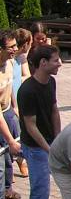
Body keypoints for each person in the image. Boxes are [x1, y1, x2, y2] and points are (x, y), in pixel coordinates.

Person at [18, 44, 63, 199]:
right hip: (35, 148)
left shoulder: (51, 82)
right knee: (40, 191)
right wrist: (48, 148)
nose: (59, 63)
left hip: (50, 143)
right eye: (56, 60)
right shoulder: (27, 90)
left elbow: (54, 110)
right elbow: (30, 125)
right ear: (43, 63)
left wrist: (58, 139)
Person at [0, 31, 21, 199]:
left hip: (7, 111)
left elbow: (10, 87)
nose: (15, 49)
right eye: (11, 47)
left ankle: (7, 188)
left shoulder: (10, 63)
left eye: (15, 45)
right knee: (2, 161)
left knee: (10, 157)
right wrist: (9, 139)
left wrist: (15, 108)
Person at [11, 28, 32, 179]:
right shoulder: (10, 60)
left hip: (19, 97)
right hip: (10, 101)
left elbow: (27, 75)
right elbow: (7, 83)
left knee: (19, 131)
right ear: (25, 44)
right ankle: (18, 159)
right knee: (15, 131)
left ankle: (20, 159)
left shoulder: (22, 58)